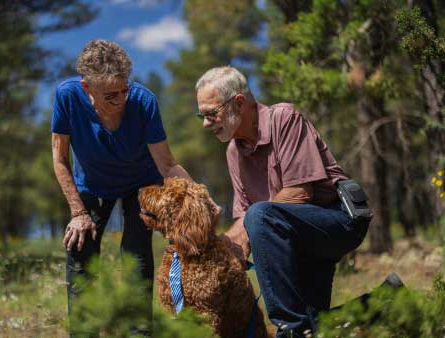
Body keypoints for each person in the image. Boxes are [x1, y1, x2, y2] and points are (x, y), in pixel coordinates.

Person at [51, 39, 213, 337]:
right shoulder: (67, 97)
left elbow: (166, 164)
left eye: (125, 89)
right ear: (87, 88)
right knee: (80, 249)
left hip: (141, 183)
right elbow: (60, 160)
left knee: (136, 254)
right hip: (93, 184)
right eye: (111, 95)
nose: (121, 99)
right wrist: (78, 211)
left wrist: (198, 197)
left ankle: (139, 333)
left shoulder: (144, 101)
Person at [195, 66, 370, 338]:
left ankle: (288, 327)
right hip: (295, 239)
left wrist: (252, 225)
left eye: (211, 114)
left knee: (260, 215)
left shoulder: (284, 118)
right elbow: (244, 221)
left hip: (337, 220)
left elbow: (300, 193)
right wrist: (222, 250)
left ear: (238, 103)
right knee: (316, 327)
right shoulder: (233, 151)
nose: (206, 124)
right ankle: (387, 302)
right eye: (201, 116)